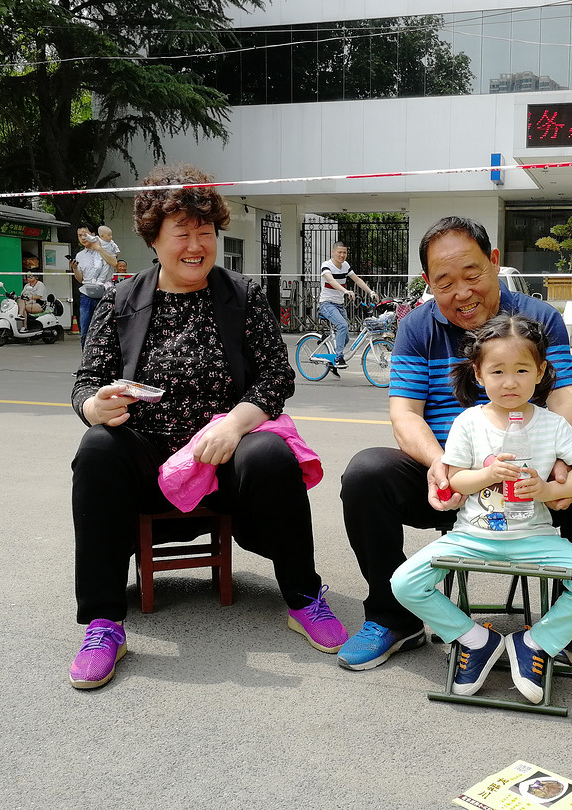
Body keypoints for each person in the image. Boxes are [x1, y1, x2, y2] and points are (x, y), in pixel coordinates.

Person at [68, 163, 347, 690]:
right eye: (182, 233)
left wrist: (234, 427)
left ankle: (303, 595)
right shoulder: (121, 302)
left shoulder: (242, 296)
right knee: (98, 448)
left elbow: (274, 378)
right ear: (153, 238)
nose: (196, 245)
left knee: (270, 454)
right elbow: (87, 382)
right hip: (149, 453)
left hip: (225, 454)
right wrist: (94, 406)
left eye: (205, 232)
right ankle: (103, 622)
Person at [338, 216, 572, 687]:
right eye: (445, 282)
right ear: (428, 283)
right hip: (448, 476)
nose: (462, 292)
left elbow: (565, 398)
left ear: (494, 263)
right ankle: (394, 618)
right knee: (366, 473)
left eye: (472, 275)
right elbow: (406, 415)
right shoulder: (417, 326)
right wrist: (441, 467)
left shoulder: (540, 319)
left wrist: (560, 468)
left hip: (527, 482)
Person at [390, 314, 572, 704]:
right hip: (472, 535)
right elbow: (455, 479)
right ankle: (475, 639)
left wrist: (546, 490)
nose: (510, 382)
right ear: (479, 374)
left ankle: (536, 643)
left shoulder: (551, 425)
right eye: (497, 371)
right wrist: (487, 473)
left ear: (541, 371)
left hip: (535, 537)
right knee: (404, 582)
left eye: (522, 370)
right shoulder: (469, 422)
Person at [318, 241, 375, 372]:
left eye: (344, 252)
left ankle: (333, 356)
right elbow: (331, 281)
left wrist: (370, 291)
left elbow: (358, 280)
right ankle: (338, 358)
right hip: (326, 304)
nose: (342, 255)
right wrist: (345, 291)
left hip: (339, 305)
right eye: (339, 252)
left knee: (346, 337)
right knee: (342, 326)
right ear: (333, 252)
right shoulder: (326, 265)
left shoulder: (345, 266)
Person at [71, 226, 118, 348]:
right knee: (85, 331)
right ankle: (85, 360)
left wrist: (98, 248)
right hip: (87, 295)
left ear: (92, 234)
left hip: (105, 294)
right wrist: (75, 268)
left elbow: (114, 263)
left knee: (106, 330)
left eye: (84, 234)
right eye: (79, 235)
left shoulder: (106, 247)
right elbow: (80, 279)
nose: (82, 237)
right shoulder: (80, 255)